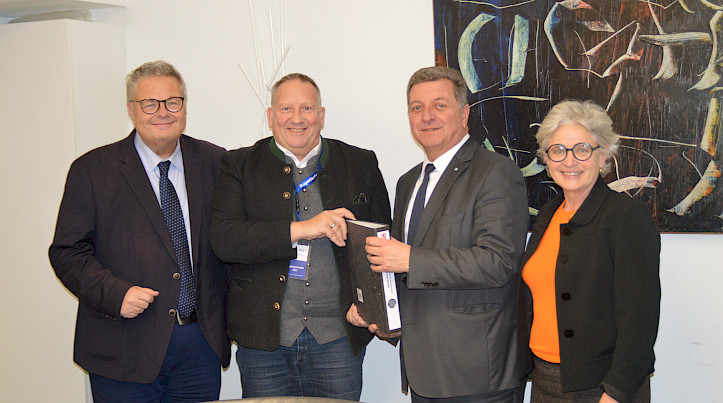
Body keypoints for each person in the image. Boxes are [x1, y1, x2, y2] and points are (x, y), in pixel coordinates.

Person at [48, 61, 230, 402]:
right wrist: (115, 294)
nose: (162, 112)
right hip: (123, 347)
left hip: (199, 348)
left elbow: (230, 241)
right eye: (149, 104)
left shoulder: (215, 161)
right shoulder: (92, 170)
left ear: (184, 107)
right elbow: (67, 252)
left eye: (172, 102)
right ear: (131, 110)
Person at [348, 66, 529, 402]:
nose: (427, 116)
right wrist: (377, 311)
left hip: (478, 374)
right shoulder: (408, 182)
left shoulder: (496, 173)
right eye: (417, 107)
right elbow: (406, 272)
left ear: (464, 113)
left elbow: (497, 262)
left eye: (439, 105)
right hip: (423, 370)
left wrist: (409, 259)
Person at [209, 72, 391, 400]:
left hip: (338, 337)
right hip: (263, 343)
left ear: (321, 115)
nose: (297, 118)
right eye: (286, 109)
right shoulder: (238, 165)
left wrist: (372, 308)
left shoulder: (360, 163)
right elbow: (226, 239)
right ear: (270, 116)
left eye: (307, 108)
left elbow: (382, 246)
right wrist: (303, 229)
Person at [520, 100, 660, 402]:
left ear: (603, 154)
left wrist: (616, 393)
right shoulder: (548, 214)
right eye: (558, 150)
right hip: (544, 379)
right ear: (546, 158)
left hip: (602, 385)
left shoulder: (626, 216)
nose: (569, 161)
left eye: (582, 149)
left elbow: (640, 319)